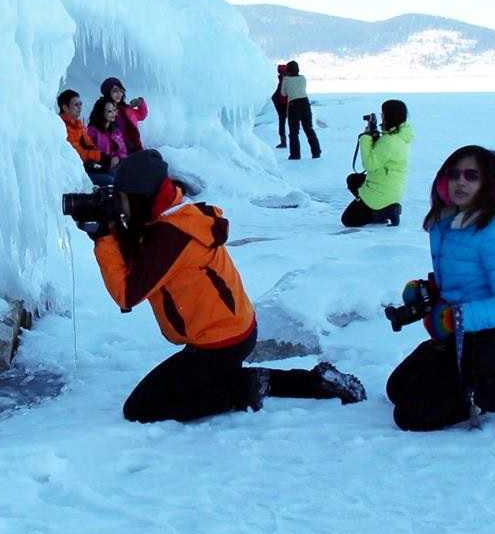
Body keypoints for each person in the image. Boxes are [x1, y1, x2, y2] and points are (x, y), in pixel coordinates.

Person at [83, 150, 367, 422]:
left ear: (143, 197)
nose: (120, 206)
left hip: (219, 343)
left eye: (123, 199)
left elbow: (127, 294)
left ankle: (245, 389)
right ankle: (306, 382)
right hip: (228, 333)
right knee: (192, 384)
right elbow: (142, 259)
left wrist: (105, 238)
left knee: (142, 407)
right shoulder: (178, 215)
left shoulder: (171, 236)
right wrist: (114, 230)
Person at [385, 146, 495, 432]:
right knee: (397, 389)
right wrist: (426, 291)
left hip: (484, 342)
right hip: (453, 338)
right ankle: (470, 387)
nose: (460, 182)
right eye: (454, 175)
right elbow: (460, 283)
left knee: (409, 416)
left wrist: (458, 317)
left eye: (471, 176)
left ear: (489, 183)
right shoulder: (449, 224)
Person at [343, 99, 412, 227]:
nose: (381, 116)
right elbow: (382, 155)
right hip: (393, 188)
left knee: (348, 220)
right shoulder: (400, 135)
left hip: (382, 193)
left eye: (383, 114)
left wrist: (366, 137)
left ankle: (380, 212)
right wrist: (375, 136)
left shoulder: (389, 141)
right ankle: (386, 207)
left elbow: (370, 164)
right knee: (353, 180)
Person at [59, 89, 111, 184]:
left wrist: (100, 158)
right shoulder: (62, 127)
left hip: (88, 166)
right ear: (65, 108)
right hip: (75, 172)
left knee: (117, 175)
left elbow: (90, 145)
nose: (80, 108)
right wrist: (99, 156)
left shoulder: (78, 125)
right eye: (76, 105)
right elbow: (75, 153)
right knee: (111, 181)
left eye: (80, 104)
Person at [279, 61, 320, 160]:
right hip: (305, 103)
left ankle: (295, 154)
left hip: (294, 105)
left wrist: (283, 78)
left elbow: (283, 94)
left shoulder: (286, 79)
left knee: (293, 132)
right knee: (309, 129)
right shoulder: (303, 78)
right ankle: (316, 152)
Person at [85, 95, 136, 170]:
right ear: (101, 113)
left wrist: (117, 158)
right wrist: (109, 161)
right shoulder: (92, 131)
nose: (113, 114)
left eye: (114, 110)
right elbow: (90, 153)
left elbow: (123, 151)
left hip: (119, 165)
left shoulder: (116, 131)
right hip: (101, 168)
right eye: (109, 111)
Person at [99, 77, 148, 151]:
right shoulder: (103, 112)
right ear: (107, 93)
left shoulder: (127, 109)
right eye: (115, 91)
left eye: (120, 90)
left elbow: (142, 115)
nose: (119, 94)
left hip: (135, 148)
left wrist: (140, 102)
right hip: (117, 153)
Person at [269, 65, 289, 149]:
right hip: (287, 104)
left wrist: (274, 99)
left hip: (281, 105)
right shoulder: (288, 78)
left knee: (282, 123)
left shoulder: (280, 79)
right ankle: (288, 141)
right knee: (289, 123)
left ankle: (283, 142)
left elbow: (276, 93)